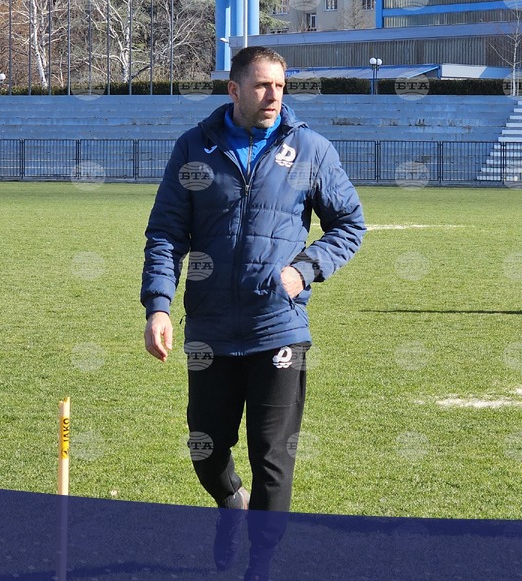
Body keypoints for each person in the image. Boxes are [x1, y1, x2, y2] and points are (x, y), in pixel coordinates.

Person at [141, 46, 365, 579]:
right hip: (211, 329)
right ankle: (231, 503)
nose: (273, 96)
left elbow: (349, 224)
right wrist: (159, 306)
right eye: (263, 85)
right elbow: (166, 233)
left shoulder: (310, 149)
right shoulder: (194, 148)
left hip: (279, 327)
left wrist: (304, 270)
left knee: (273, 456)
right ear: (234, 90)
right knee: (206, 446)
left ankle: (260, 563)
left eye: (280, 86)